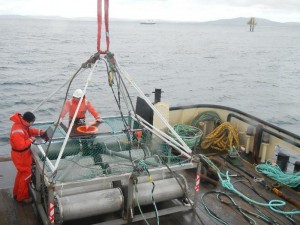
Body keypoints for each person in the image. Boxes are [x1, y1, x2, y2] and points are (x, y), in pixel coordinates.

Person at [9, 111, 44, 203]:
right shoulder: (17, 131)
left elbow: (29, 131)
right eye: (32, 122)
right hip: (20, 155)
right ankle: (22, 197)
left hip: (22, 154)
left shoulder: (22, 124)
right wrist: (31, 139)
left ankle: (16, 193)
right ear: (28, 122)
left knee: (21, 174)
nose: (32, 123)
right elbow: (21, 146)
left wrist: (40, 132)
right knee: (26, 175)